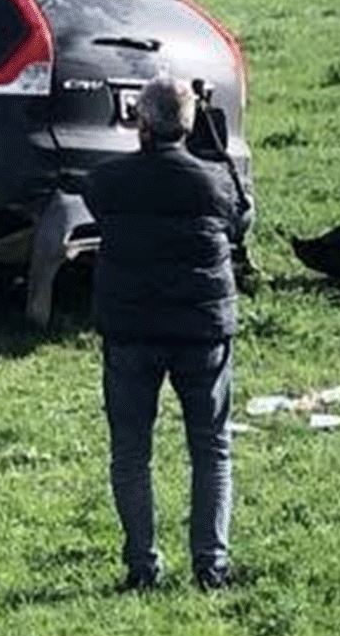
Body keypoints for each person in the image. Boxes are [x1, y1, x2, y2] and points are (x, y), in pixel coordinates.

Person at [76, 75, 254, 592]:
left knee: (131, 452)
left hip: (131, 331)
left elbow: (94, 198)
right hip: (202, 330)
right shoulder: (216, 181)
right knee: (211, 446)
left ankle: (142, 566)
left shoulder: (108, 181)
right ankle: (211, 565)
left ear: (141, 122)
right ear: (191, 124)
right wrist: (211, 150)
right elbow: (242, 220)